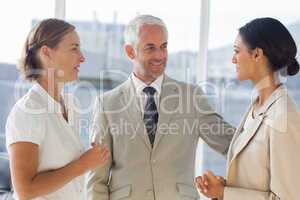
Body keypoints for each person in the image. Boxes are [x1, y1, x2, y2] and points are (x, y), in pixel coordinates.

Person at [86, 14, 235, 200]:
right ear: (130, 51)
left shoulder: (191, 97)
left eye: (163, 47)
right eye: (150, 48)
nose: (159, 55)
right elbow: (97, 178)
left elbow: (232, 145)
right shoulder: (107, 104)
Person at [195, 17, 300, 200]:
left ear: (257, 54)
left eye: (236, 51)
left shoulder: (285, 118)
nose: (233, 59)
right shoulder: (258, 105)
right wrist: (224, 188)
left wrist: (224, 193)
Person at [5, 18, 109, 200]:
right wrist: (83, 164)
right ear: (47, 53)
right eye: (74, 48)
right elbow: (25, 191)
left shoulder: (70, 105)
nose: (82, 57)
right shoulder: (27, 111)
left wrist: (91, 158)